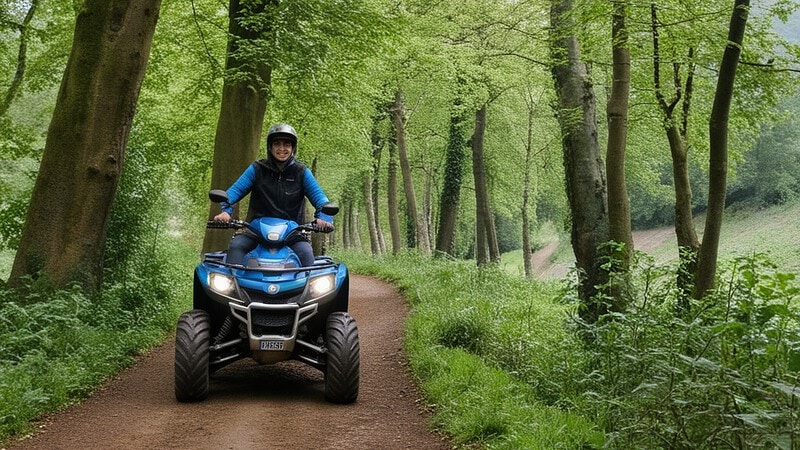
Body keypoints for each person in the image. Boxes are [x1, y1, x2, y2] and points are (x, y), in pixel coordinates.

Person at [212, 123, 334, 267]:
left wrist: (324, 218)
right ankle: (232, 287)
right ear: (270, 146)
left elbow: (321, 199)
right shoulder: (257, 169)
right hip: (256, 230)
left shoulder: (301, 172)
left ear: (293, 147)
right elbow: (233, 192)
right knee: (237, 246)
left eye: (287, 144)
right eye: (277, 143)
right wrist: (225, 212)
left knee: (306, 252)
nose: (282, 149)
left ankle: (309, 289)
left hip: (292, 231)